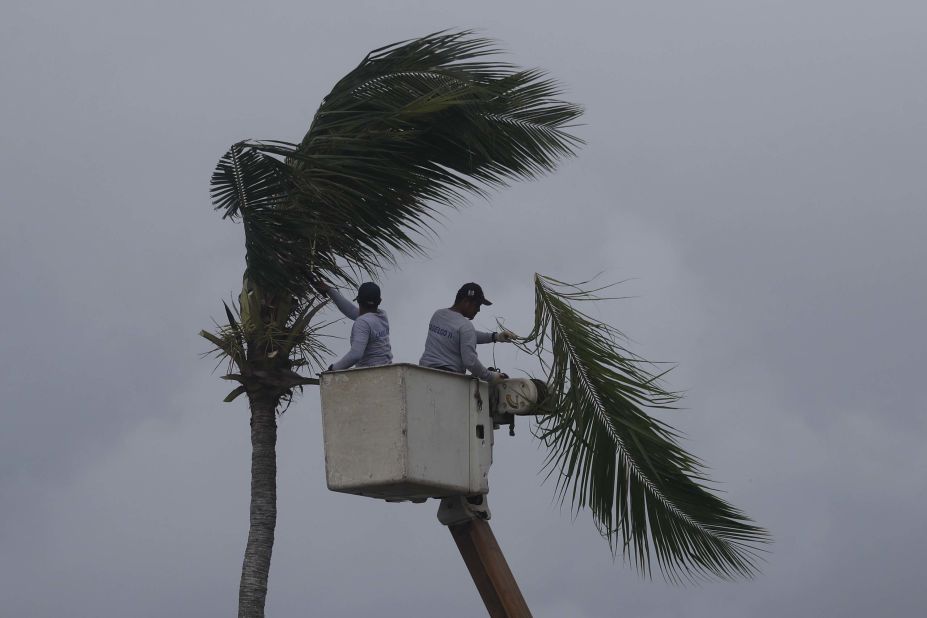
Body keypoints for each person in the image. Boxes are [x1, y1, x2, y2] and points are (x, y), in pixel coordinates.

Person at [419, 282, 517, 381]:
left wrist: (496, 337)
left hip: (423, 373)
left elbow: (462, 335)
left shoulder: (438, 315)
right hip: (448, 380)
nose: (478, 310)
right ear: (466, 302)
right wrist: (491, 376)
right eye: (477, 305)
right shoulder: (465, 326)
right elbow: (470, 362)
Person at [311, 278, 392, 370]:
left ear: (358, 300)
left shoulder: (363, 322)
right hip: (387, 371)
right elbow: (351, 311)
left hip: (370, 375)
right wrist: (329, 290)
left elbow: (355, 355)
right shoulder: (381, 315)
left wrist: (333, 369)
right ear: (380, 301)